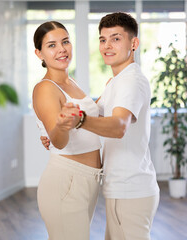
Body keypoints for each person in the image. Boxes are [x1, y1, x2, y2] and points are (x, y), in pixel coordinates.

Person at [41, 12, 160, 240]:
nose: (107, 46)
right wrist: (57, 130)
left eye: (116, 39)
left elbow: (118, 127)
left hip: (130, 189)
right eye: (103, 39)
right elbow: (94, 114)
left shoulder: (131, 81)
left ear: (133, 43)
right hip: (120, 188)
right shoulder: (116, 81)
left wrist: (80, 121)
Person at [32, 21, 103, 240]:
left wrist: (111, 89)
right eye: (52, 45)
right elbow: (59, 140)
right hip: (67, 181)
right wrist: (60, 127)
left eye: (65, 41)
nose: (62, 49)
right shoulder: (45, 88)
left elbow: (88, 116)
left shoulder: (71, 82)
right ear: (39, 53)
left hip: (87, 180)